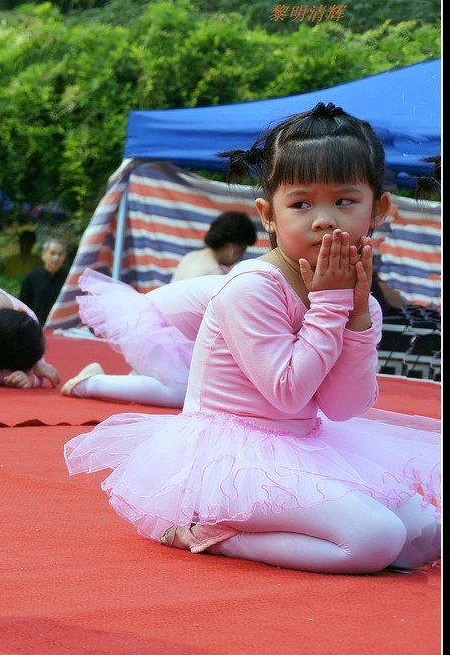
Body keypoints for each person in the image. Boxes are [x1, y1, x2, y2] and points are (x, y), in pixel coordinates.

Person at [64, 102, 441, 574]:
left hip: (306, 441)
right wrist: (329, 307)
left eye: (344, 201)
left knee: (427, 534)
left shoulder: (353, 296)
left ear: (379, 208)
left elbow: (345, 407)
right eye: (301, 204)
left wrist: (357, 316)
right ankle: (213, 534)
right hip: (231, 455)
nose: (323, 219)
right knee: (376, 539)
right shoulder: (253, 286)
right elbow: (287, 394)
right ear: (268, 214)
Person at [61, 269, 224, 408]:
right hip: (146, 327)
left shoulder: (234, 284)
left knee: (197, 387)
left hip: (149, 325)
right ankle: (90, 384)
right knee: (183, 392)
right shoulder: (236, 293)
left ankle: (145, 377)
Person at [170, 210, 258, 281]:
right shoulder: (214, 273)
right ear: (231, 246)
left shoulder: (190, 256)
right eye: (241, 251)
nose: (240, 257)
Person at [19, 237, 68, 326]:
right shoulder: (32, 277)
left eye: (60, 254)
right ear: (44, 255)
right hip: (36, 326)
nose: (56, 258)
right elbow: (23, 306)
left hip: (62, 327)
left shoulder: (69, 278)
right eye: (52, 253)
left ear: (64, 256)